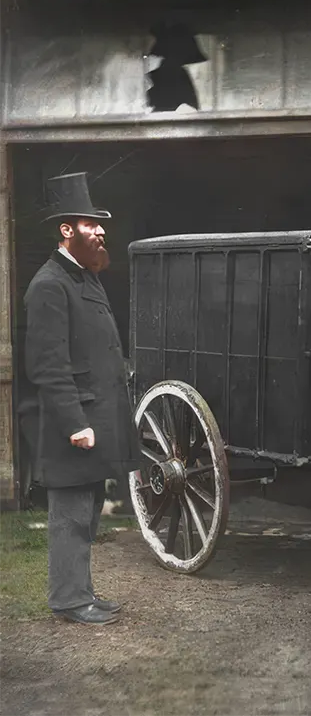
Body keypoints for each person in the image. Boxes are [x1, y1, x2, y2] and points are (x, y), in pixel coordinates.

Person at [23, 172, 140, 626]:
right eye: (90, 224)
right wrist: (75, 423)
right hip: (73, 424)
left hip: (98, 416)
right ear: (66, 231)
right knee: (70, 515)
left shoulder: (84, 279)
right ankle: (69, 601)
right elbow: (48, 368)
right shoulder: (49, 285)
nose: (100, 230)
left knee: (87, 512)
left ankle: (82, 592)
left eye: (100, 224)